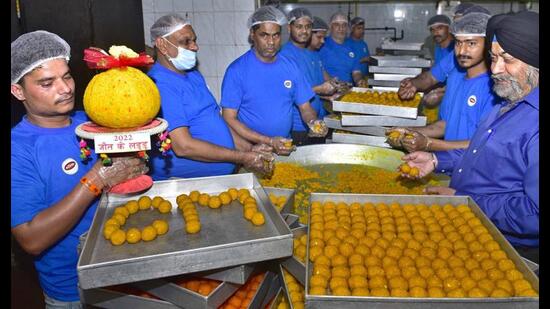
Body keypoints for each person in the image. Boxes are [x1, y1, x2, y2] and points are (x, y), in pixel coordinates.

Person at [11, 31, 148, 307]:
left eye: (67, 76)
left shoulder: (95, 120)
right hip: (76, 290)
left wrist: (136, 163)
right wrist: (96, 179)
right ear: (18, 90)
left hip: (130, 271)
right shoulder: (18, 149)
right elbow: (31, 239)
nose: (65, 89)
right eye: (47, 83)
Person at [401, 10, 539, 262]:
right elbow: (482, 152)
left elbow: (534, 214)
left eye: (507, 59)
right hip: (474, 223)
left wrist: (467, 201)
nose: (495, 69)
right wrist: (436, 161)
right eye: (493, 57)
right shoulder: (507, 101)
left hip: (509, 246)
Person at [147, 14, 274, 180]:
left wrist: (249, 150)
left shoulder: (193, 75)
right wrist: (241, 157)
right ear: (162, 45)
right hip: (186, 186)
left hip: (220, 177)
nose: (195, 47)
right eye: (186, 42)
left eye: (194, 40)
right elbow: (184, 146)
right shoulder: (160, 85)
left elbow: (216, 119)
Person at [221, 6, 327, 155]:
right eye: (264, 35)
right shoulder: (237, 71)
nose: (271, 42)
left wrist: (313, 122)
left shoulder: (290, 66)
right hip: (251, 148)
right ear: (252, 35)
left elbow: (305, 107)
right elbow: (229, 118)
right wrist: (268, 141)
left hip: (284, 145)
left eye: (276, 35)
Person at [388, 13, 496, 152]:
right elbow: (446, 125)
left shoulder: (494, 88)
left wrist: (428, 144)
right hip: (448, 164)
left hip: (473, 169)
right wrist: (408, 131)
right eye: (458, 42)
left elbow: (485, 144)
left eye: (471, 43)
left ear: (488, 45)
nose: (462, 51)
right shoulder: (457, 78)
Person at [398, 4, 491, 103]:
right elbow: (431, 76)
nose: (462, 50)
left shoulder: (492, 79)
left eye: (471, 43)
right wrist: (414, 83)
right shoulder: (454, 56)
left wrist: (443, 94)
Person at [279, 8, 336, 145]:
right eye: (299, 27)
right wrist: (319, 89)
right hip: (298, 126)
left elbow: (308, 85)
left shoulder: (311, 53)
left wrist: (326, 95)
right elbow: (286, 93)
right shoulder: (285, 56)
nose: (304, 31)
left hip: (315, 121)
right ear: (289, 28)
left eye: (308, 27)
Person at [319, 12, 368, 87]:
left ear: (347, 28)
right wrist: (333, 83)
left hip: (346, 92)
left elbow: (356, 72)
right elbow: (318, 69)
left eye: (344, 25)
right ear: (330, 26)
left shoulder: (352, 47)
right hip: (326, 94)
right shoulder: (321, 45)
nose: (341, 28)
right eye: (337, 25)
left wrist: (359, 80)